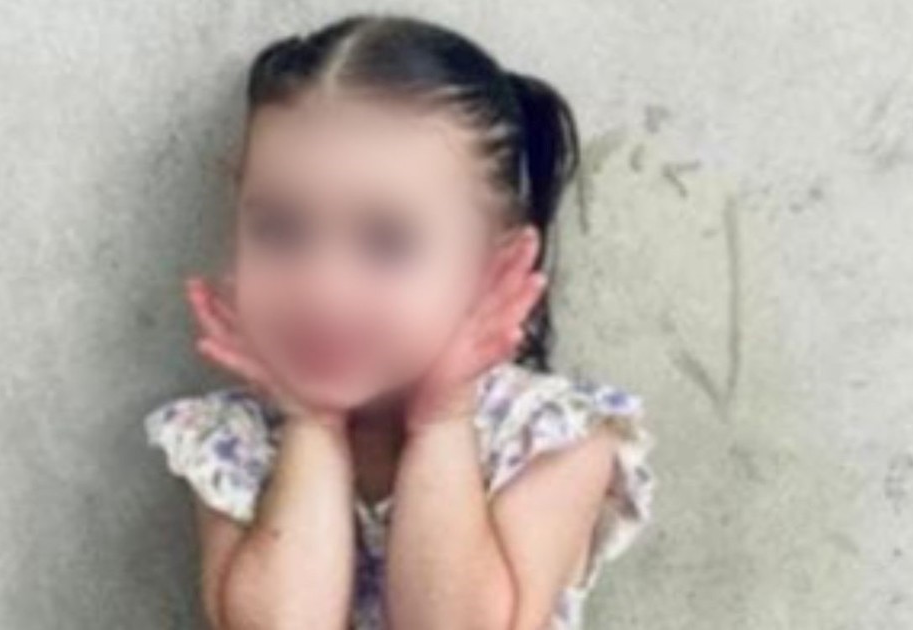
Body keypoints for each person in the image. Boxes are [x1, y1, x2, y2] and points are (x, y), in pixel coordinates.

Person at [143, 12, 657, 630]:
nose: (323, 291)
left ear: (492, 269)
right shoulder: (235, 439)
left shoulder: (549, 436)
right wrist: (310, 426)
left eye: (387, 241)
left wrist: (444, 419)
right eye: (280, 228)